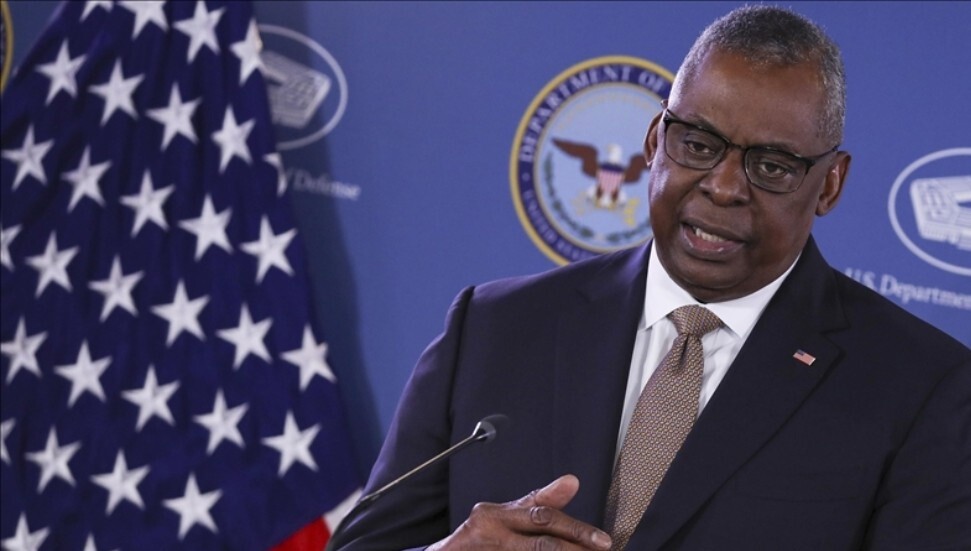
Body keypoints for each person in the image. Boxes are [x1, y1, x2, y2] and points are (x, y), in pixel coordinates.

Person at [330, 5, 971, 550]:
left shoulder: (922, 390)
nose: (723, 187)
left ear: (829, 184)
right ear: (653, 141)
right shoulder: (493, 329)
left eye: (772, 166)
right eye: (698, 144)